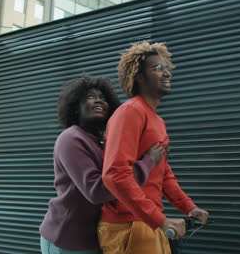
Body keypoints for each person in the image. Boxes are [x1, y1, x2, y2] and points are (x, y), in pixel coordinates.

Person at [98, 42, 209, 254]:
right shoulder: (130, 112)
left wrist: (188, 207)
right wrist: (159, 219)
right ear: (139, 77)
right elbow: (114, 175)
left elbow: (163, 174)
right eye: (157, 68)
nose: (166, 73)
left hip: (149, 222)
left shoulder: (157, 121)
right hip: (128, 226)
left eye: (167, 68)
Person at [39, 74, 165, 254]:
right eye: (91, 97)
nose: (99, 101)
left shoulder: (103, 141)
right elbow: (97, 190)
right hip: (67, 239)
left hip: (96, 237)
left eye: (103, 98)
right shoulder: (71, 138)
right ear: (76, 107)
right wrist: (148, 162)